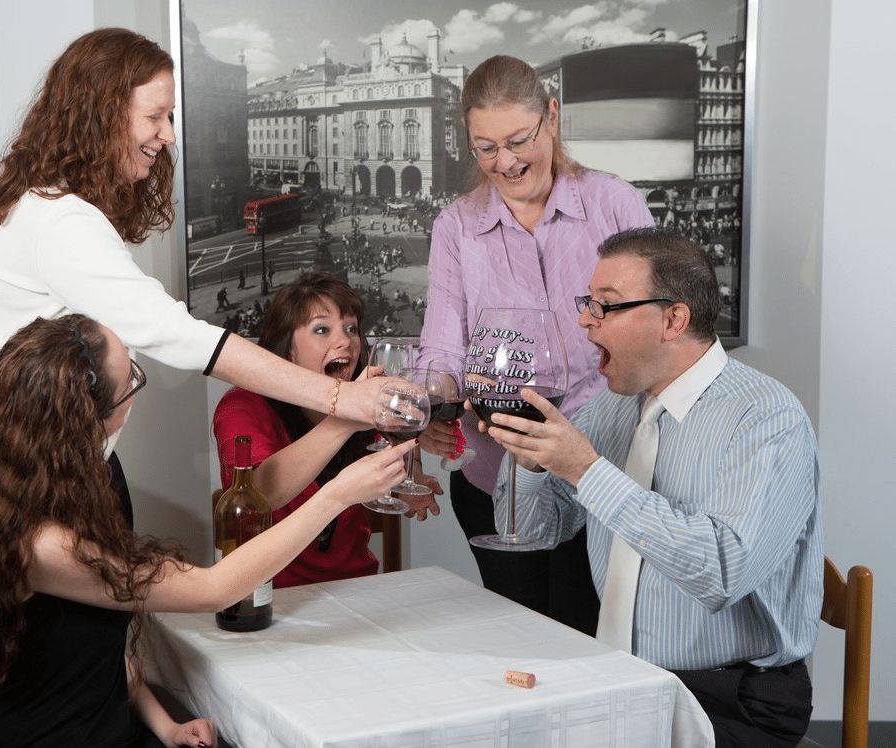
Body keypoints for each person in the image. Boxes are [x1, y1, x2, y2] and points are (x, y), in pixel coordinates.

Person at [0, 28, 389, 513]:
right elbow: (175, 334)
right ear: (100, 116)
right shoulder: (59, 220)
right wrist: (341, 398)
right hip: (11, 476)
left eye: (169, 116)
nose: (168, 135)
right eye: (155, 117)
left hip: (48, 460)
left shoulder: (53, 203)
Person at [0, 314, 414, 747]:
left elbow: (88, 648)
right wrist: (336, 495)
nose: (136, 386)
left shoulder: (48, 486)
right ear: (91, 417)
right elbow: (211, 589)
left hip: (105, 728)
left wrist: (162, 723)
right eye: (131, 378)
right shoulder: (41, 545)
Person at [487, 228, 821, 747]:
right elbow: (538, 530)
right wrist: (530, 461)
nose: (584, 321)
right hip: (618, 673)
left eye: (607, 306)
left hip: (731, 697)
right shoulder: (616, 404)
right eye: (588, 303)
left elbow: (722, 572)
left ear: (674, 319)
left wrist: (587, 470)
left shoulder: (764, 417)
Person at [417, 54, 653, 632]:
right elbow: (443, 348)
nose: (507, 162)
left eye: (519, 139)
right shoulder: (456, 226)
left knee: (593, 637)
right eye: (486, 148)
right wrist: (431, 403)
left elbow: (653, 333)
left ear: (552, 116)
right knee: (521, 639)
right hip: (494, 470)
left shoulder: (613, 204)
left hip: (601, 466)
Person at [212, 272, 440, 587]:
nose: (345, 340)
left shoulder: (371, 401)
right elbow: (260, 494)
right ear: (287, 349)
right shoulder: (242, 407)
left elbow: (398, 460)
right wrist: (346, 415)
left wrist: (408, 480)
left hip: (356, 589)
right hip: (268, 595)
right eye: (322, 329)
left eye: (351, 328)